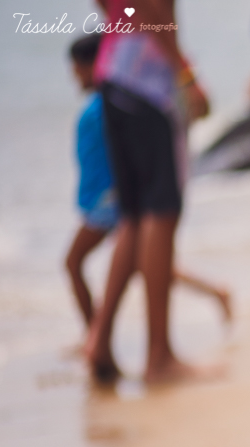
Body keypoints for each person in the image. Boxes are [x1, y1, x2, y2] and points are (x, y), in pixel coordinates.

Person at [66, 34, 231, 340]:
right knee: (149, 263)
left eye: (77, 70)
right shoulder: (113, 103)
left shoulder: (119, 103)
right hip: (109, 200)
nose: (75, 78)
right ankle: (216, 292)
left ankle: (95, 336)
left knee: (77, 262)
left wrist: (187, 79)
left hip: (110, 203)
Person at [84, 0, 213, 384]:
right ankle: (159, 355)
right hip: (146, 79)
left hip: (114, 71)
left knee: (135, 214)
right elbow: (152, 8)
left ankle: (100, 339)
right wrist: (187, 75)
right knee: (161, 211)